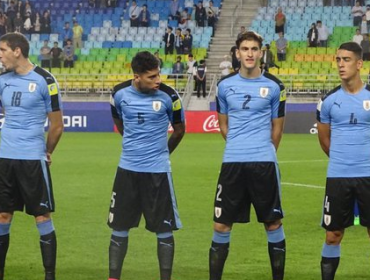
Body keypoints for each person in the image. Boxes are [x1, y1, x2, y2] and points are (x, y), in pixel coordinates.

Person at [209, 31, 286, 280]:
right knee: (221, 224)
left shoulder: (275, 86)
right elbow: (223, 125)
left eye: (254, 49)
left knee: (272, 223)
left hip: (263, 162)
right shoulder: (224, 86)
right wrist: (238, 144)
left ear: (261, 52)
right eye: (245, 49)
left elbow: (277, 129)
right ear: (237, 53)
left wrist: (263, 150)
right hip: (232, 161)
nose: (250, 54)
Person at [108, 51, 185, 280]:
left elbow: (180, 130)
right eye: (151, 77)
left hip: (158, 172)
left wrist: (161, 153)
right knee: (119, 227)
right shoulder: (118, 94)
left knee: (164, 228)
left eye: (158, 74)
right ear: (137, 76)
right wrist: (135, 148)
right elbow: (119, 123)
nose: (157, 80)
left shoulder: (169, 96)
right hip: (127, 170)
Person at [0, 32, 63, 280]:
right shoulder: (3, 80)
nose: (0, 56)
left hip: (32, 158)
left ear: (17, 51)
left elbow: (56, 125)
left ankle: (49, 275)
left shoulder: (45, 81)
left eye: (3, 50)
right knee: (3, 215)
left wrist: (47, 151)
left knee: (41, 215)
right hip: (5, 158)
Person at [316, 41, 370, 280]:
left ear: (359, 64)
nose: (340, 64)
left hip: (368, 175)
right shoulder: (327, 102)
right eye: (338, 59)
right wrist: (342, 159)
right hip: (337, 176)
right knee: (332, 235)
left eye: (346, 60)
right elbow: (325, 140)